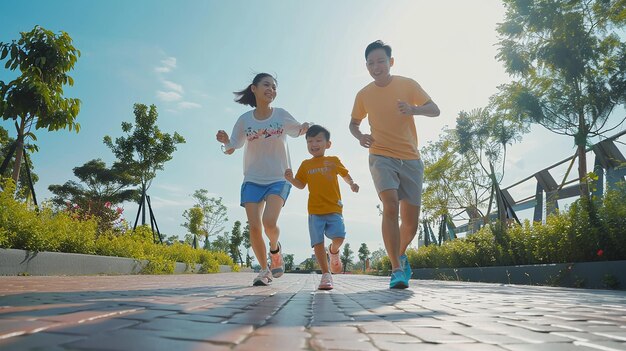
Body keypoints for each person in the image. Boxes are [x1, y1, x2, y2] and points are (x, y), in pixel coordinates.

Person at [349, 40, 440, 289]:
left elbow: (435, 110)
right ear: (366, 66)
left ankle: (398, 254)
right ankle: (396, 269)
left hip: (410, 158)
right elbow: (353, 124)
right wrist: (360, 136)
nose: (375, 67)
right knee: (390, 206)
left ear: (391, 62)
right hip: (381, 155)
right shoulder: (364, 94)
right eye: (370, 63)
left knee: (411, 222)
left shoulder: (407, 84)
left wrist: (413, 109)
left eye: (380, 61)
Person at [216, 73, 309, 286]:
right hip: (253, 178)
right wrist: (224, 141)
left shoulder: (281, 115)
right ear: (254, 88)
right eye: (266, 85)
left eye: (274, 87)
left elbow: (298, 131)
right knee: (255, 227)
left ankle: (275, 248)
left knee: (269, 222)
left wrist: (305, 126)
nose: (271, 90)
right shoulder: (244, 120)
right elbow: (232, 147)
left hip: (279, 177)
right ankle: (265, 270)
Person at [284, 125, 359, 290]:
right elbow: (301, 184)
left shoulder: (333, 160)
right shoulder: (305, 164)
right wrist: (290, 179)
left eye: (318, 140)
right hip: (315, 211)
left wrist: (352, 183)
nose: (314, 144)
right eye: (310, 141)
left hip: (334, 209)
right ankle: (326, 275)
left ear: (328, 144)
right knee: (317, 243)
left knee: (339, 237)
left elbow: (345, 174)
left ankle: (333, 251)